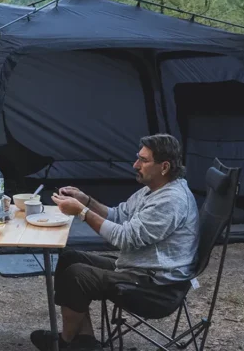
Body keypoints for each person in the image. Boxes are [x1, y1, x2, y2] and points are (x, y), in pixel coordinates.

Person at [30, 134, 200, 351]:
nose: (135, 165)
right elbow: (119, 215)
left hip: (155, 286)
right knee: (69, 256)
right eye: (137, 158)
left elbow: (124, 238)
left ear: (164, 167)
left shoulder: (170, 201)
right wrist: (86, 200)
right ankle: (85, 341)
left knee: (77, 276)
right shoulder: (154, 189)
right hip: (140, 269)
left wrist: (82, 212)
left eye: (143, 160)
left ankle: (64, 343)